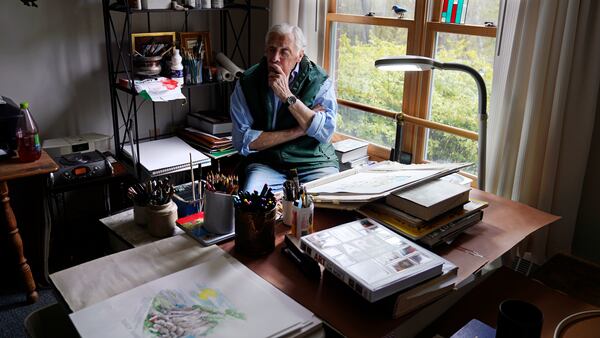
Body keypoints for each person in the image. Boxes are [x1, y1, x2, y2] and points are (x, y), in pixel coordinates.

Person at [230, 23, 339, 192]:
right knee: (252, 203)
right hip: (266, 164)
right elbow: (243, 141)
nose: (274, 58)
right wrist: (300, 130)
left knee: (329, 201)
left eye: (284, 52)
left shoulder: (319, 81)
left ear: (299, 55)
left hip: (313, 162)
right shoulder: (247, 83)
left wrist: (287, 96)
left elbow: (326, 132)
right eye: (271, 49)